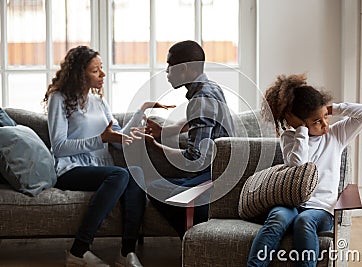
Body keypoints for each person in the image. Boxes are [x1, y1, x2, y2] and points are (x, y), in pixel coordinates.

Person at [43, 45, 174, 267]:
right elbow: (59, 147)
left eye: (101, 68)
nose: (103, 74)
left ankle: (126, 253)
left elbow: (119, 139)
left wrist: (141, 112)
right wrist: (101, 139)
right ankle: (78, 251)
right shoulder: (59, 98)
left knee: (135, 174)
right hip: (70, 169)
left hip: (100, 169)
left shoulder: (99, 101)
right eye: (96, 70)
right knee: (119, 175)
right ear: (79, 73)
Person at [247, 74, 362, 267]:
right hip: (291, 202)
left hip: (321, 209)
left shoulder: (336, 135)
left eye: (325, 117)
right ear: (299, 122)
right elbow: (298, 166)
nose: (325, 124)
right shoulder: (291, 138)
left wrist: (330, 108)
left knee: (304, 221)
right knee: (277, 218)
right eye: (316, 121)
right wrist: (301, 131)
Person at [135, 40, 235, 239]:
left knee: (155, 188)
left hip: (214, 174)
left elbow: (195, 158)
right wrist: (165, 130)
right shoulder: (210, 88)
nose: (166, 72)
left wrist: (156, 146)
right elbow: (197, 121)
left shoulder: (200, 99)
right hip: (219, 171)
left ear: (185, 69)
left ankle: (196, 238)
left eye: (170, 66)